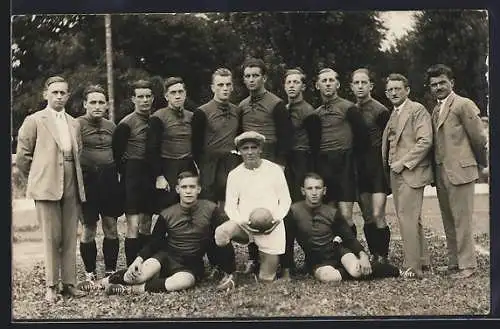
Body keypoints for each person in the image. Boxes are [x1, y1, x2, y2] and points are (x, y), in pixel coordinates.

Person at [101, 171, 237, 294]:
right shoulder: (167, 213)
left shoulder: (211, 209)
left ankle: (129, 289)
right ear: (178, 189)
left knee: (183, 282)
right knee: (137, 276)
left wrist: (229, 270)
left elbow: (222, 236)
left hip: (191, 263)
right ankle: (104, 282)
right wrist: (139, 259)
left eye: (192, 187)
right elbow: (155, 241)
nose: (188, 191)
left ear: (199, 189)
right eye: (184, 187)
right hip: (166, 257)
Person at [16, 76, 87, 302]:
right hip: (46, 183)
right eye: (54, 92)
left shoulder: (74, 123)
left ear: (68, 96)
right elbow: (23, 157)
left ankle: (69, 283)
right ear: (46, 94)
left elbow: (79, 152)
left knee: (69, 236)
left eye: (63, 93)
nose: (59, 96)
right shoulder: (35, 120)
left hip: (71, 181)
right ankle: (51, 286)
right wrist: (39, 176)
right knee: (50, 237)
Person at [426, 64, 488, 279]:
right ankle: (455, 262)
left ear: (452, 82)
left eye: (442, 82)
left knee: (462, 220)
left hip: (461, 171)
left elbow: (479, 138)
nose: (438, 87)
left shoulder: (463, 105)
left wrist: (481, 164)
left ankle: (468, 265)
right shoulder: (435, 109)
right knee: (449, 219)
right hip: (442, 172)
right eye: (434, 84)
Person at [281, 173, 400, 282]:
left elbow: (349, 238)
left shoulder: (332, 212)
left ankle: (396, 271)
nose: (314, 192)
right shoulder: (294, 211)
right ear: (303, 191)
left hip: (338, 251)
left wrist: (363, 255)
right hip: (318, 260)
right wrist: (286, 272)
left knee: (356, 271)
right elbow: (288, 242)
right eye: (310, 188)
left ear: (324, 190)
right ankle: (359, 269)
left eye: (318, 188)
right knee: (328, 277)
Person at [238, 58, 294, 273]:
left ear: (264, 77)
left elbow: (286, 137)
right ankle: (255, 258)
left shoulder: (276, 104)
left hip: (272, 163)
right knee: (252, 210)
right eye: (247, 76)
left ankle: (285, 263)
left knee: (278, 212)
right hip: (251, 164)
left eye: (255, 75)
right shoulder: (242, 105)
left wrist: (280, 165)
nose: (251, 80)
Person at [215, 131, 292, 282]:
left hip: (271, 226)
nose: (250, 152)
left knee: (266, 279)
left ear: (260, 149)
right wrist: (243, 222)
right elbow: (230, 206)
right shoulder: (235, 174)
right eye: (245, 148)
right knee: (221, 233)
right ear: (239, 151)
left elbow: (285, 200)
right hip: (244, 226)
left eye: (253, 147)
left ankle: (262, 265)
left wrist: (275, 220)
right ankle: (230, 273)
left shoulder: (274, 170)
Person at [381, 73, 433, 279]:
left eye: (397, 88)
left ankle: (413, 267)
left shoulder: (417, 110)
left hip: (410, 172)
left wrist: (402, 163)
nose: (393, 92)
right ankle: (423, 260)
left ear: (407, 90)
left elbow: (425, 141)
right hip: (397, 173)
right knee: (412, 218)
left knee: (407, 218)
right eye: (390, 90)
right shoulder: (393, 113)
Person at [313, 68, 370, 238]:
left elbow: (363, 139)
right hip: (324, 166)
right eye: (324, 81)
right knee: (328, 214)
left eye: (331, 80)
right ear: (317, 85)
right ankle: (334, 255)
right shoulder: (316, 113)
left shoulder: (348, 108)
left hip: (345, 165)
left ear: (337, 84)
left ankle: (352, 251)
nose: (328, 83)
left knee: (346, 215)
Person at [76, 85, 123, 289]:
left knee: (111, 227)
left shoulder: (112, 126)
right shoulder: (76, 125)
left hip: (110, 180)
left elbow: (119, 153)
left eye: (101, 102)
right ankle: (89, 273)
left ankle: (111, 271)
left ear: (107, 105)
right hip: (87, 180)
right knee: (88, 228)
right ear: (85, 104)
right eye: (92, 102)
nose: (97, 106)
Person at [350, 68, 392, 263]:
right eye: (356, 83)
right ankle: (374, 253)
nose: (360, 86)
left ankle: (383, 256)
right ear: (351, 86)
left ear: (370, 86)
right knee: (367, 216)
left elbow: (391, 140)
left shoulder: (380, 110)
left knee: (378, 214)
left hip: (376, 167)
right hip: (359, 168)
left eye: (363, 83)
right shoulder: (349, 110)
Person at [112, 79, 154, 266]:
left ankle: (143, 262)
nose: (144, 100)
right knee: (134, 225)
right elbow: (117, 154)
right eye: (140, 97)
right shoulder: (126, 124)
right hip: (132, 175)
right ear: (133, 99)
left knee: (147, 222)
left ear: (152, 98)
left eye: (148, 96)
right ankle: (130, 266)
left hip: (150, 174)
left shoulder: (155, 120)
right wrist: (128, 174)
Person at [146, 77, 197, 213]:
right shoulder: (158, 117)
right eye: (173, 93)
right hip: (168, 166)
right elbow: (152, 149)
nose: (178, 96)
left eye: (180, 92)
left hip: (188, 165)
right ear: (166, 96)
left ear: (185, 94)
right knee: (169, 209)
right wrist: (159, 175)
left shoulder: (192, 116)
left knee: (190, 205)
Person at [191, 68, 241, 206]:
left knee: (231, 205)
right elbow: (195, 144)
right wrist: (202, 166)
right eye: (220, 85)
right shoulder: (202, 112)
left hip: (231, 163)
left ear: (232, 87)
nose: (225, 88)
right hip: (209, 165)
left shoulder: (237, 111)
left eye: (228, 84)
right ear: (213, 88)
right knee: (208, 207)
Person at [283, 68, 321, 202]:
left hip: (302, 159)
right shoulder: (284, 109)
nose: (292, 85)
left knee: (300, 198)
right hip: (287, 160)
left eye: (296, 82)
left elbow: (315, 143)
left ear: (303, 87)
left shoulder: (309, 111)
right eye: (289, 83)